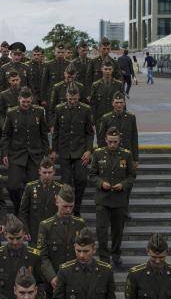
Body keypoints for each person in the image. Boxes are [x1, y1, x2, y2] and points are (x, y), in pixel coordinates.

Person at [89, 127, 135, 265]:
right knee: (101, 229)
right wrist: (101, 183)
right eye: (110, 141)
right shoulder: (98, 154)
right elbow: (92, 174)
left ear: (119, 140)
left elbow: (131, 176)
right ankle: (104, 257)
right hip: (103, 198)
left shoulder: (126, 155)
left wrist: (123, 185)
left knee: (117, 230)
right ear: (105, 140)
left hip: (119, 199)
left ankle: (115, 254)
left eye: (115, 141)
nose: (112, 144)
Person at [1, 87, 50, 214]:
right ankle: (19, 208)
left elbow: (44, 134)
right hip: (17, 154)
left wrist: (46, 154)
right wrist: (5, 153)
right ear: (19, 99)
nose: (26, 104)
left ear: (32, 99)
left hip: (35, 155)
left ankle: (30, 211)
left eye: (28, 101)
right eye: (24, 102)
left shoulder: (39, 112)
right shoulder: (11, 113)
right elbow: (6, 134)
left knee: (34, 187)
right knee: (12, 186)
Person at [52, 227, 116, 299]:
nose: (81, 255)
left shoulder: (106, 271)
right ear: (74, 247)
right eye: (78, 251)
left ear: (94, 249)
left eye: (86, 251)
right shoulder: (65, 271)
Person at [50, 83, 93, 216]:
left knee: (82, 180)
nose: (72, 102)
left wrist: (88, 150)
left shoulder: (86, 109)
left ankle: (77, 208)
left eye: (74, 99)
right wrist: (54, 150)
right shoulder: (59, 109)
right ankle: (66, 210)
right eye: (70, 99)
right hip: (65, 151)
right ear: (66, 96)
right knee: (66, 183)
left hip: (80, 151)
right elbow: (56, 131)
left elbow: (89, 133)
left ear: (78, 96)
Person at [37, 185, 85, 298]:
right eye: (65, 206)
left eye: (71, 206)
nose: (68, 210)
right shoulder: (46, 226)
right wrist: (52, 277)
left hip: (75, 279)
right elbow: (43, 256)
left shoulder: (80, 224)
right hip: (54, 279)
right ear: (57, 201)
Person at [18, 157, 63, 242]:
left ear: (54, 172)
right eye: (44, 172)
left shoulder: (60, 189)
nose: (47, 175)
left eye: (49, 172)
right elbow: (23, 212)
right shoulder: (30, 187)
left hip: (54, 232)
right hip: (35, 233)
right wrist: (25, 229)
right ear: (39, 171)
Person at [97, 92, 140, 168]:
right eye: (116, 102)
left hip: (126, 155)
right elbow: (101, 139)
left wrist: (135, 158)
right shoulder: (106, 118)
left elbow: (134, 139)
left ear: (124, 103)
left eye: (121, 102)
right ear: (112, 103)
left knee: (124, 172)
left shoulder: (131, 117)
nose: (119, 105)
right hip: (110, 154)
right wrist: (102, 156)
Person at [41, 44, 70, 108]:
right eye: (58, 52)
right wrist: (43, 99)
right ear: (54, 52)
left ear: (65, 53)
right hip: (51, 95)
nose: (60, 54)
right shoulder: (48, 65)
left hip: (64, 94)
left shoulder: (69, 64)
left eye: (62, 52)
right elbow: (44, 82)